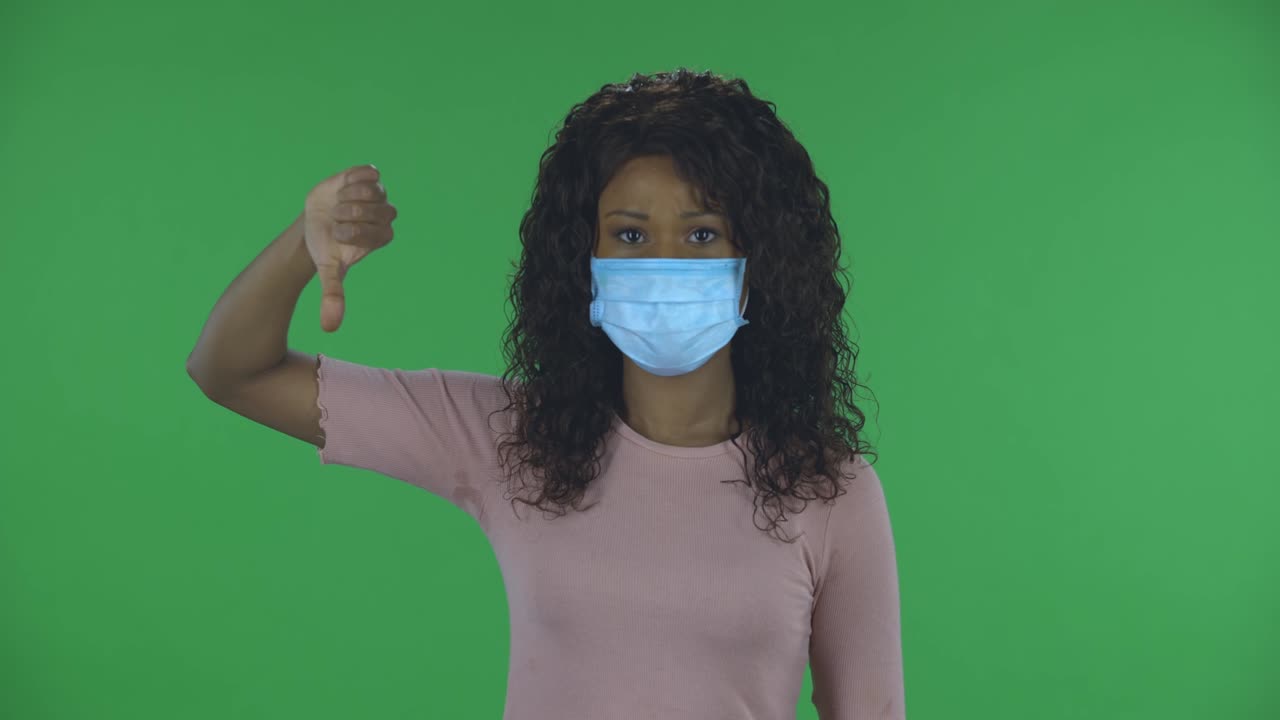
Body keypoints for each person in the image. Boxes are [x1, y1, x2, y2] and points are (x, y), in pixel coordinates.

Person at [187, 67, 905, 720]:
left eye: (702, 234)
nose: (661, 262)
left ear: (760, 262)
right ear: (582, 260)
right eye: (628, 234)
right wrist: (301, 247)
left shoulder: (831, 490)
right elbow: (230, 372)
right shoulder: (508, 436)